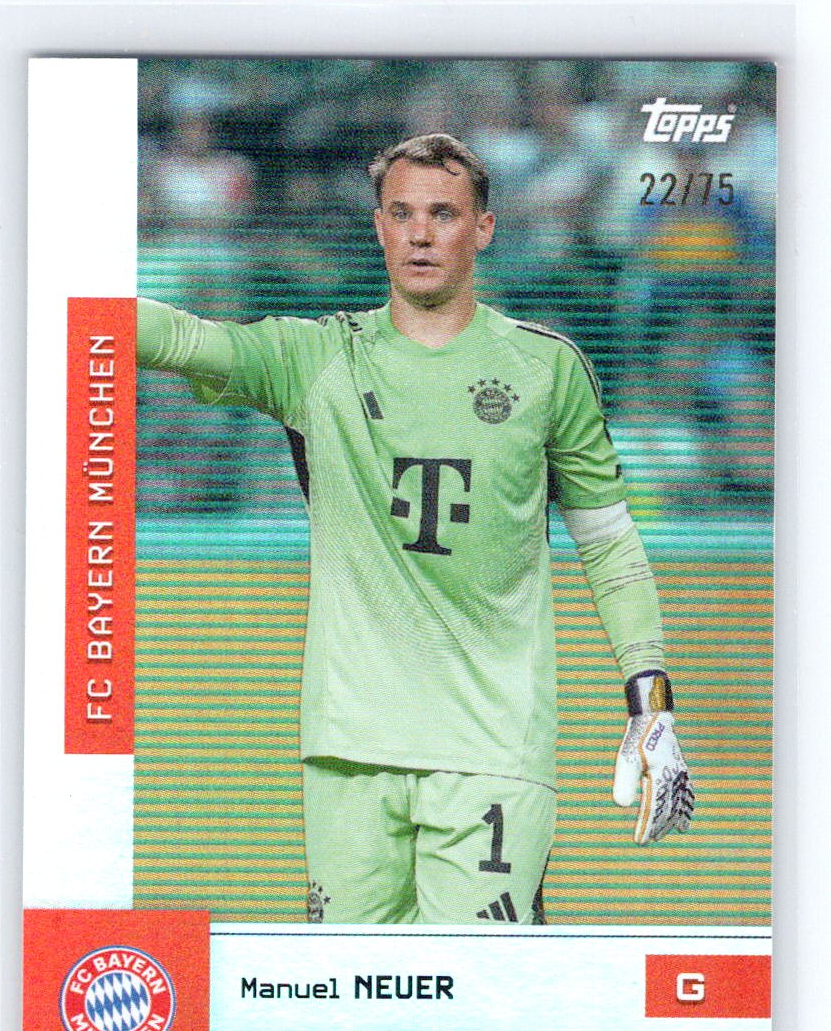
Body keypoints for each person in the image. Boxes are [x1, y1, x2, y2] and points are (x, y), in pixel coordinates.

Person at [136, 133, 694, 925]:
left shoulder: (547, 369)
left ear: (484, 227)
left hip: (492, 750)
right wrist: (50, 290)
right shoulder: (317, 357)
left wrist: (651, 699)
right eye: (401, 213)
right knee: (345, 992)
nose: (421, 234)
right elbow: (177, 338)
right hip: (348, 748)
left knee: (476, 988)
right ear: (379, 227)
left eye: (443, 214)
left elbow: (610, 546)